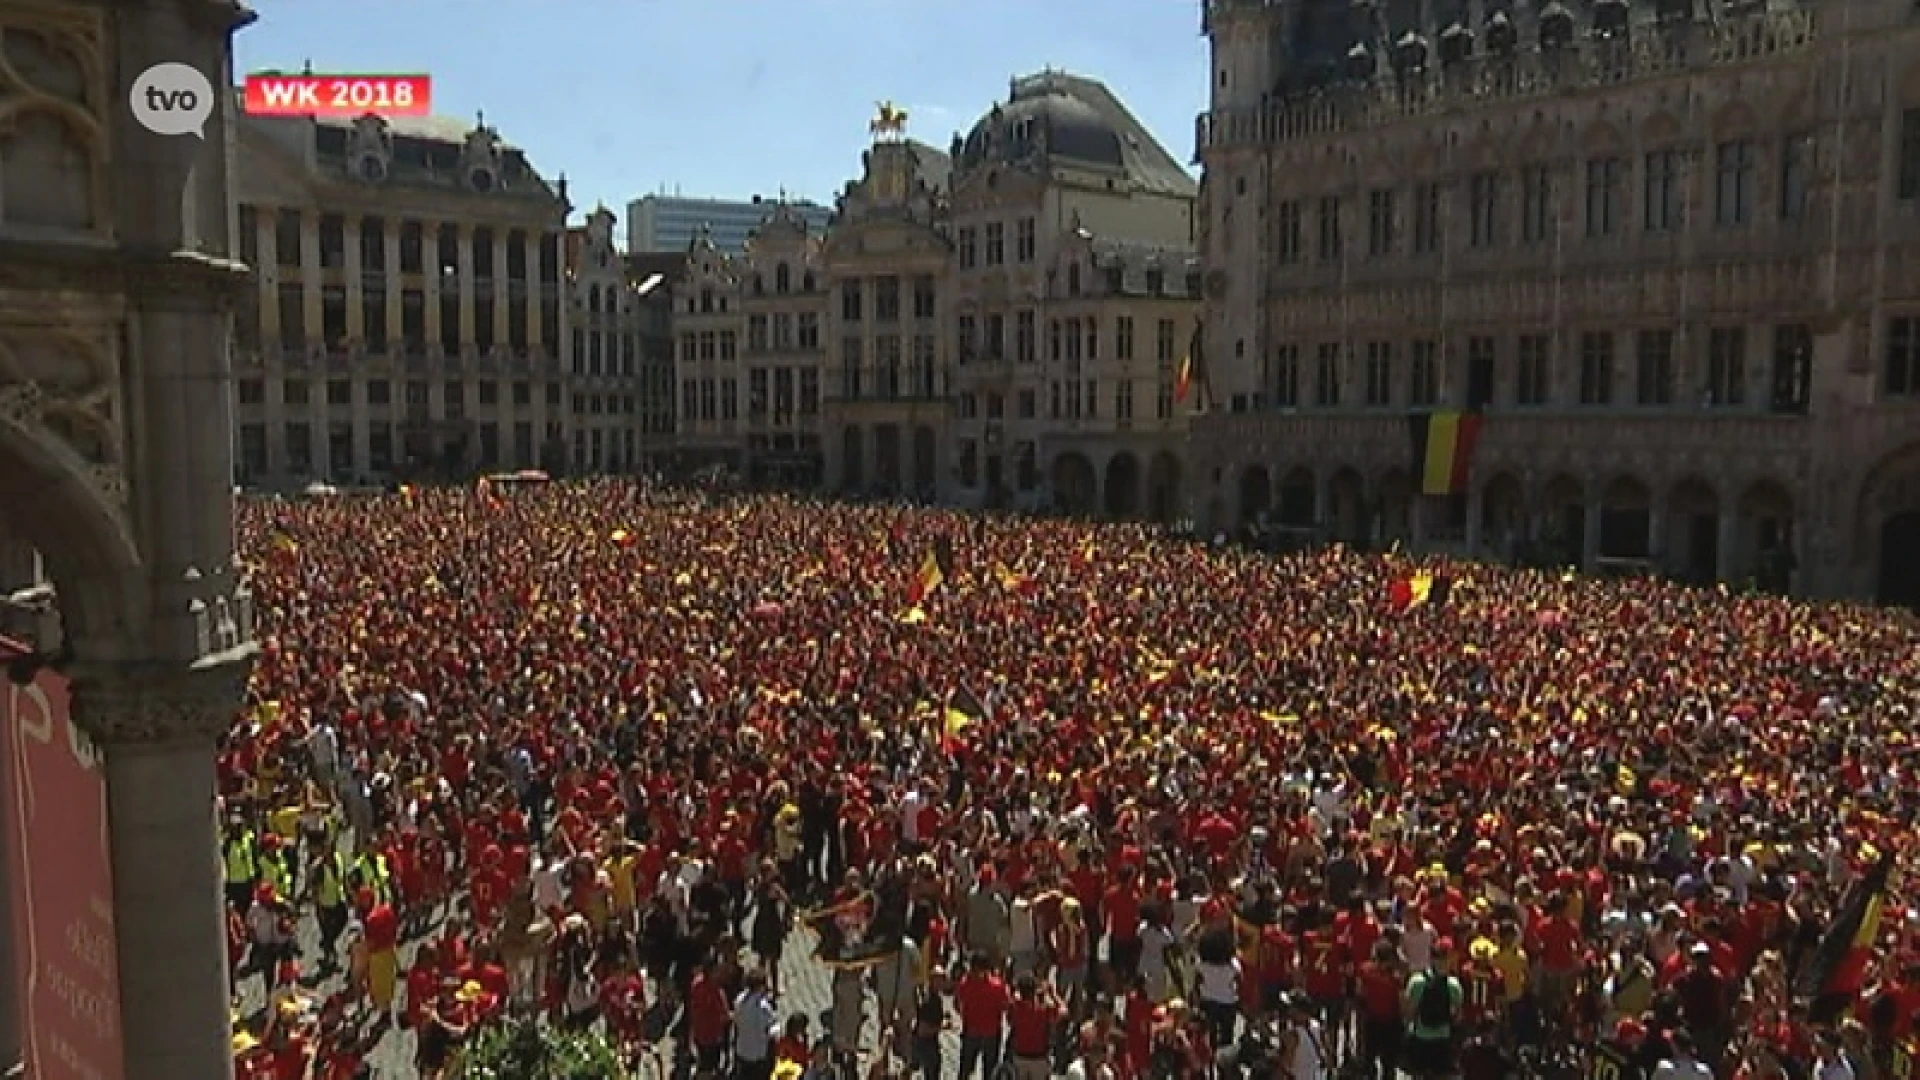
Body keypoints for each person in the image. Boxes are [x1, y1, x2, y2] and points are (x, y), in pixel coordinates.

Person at [1403, 938, 1464, 1078]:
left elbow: (1409, 1013)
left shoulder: (1417, 981)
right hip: (1443, 1038)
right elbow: (1458, 1016)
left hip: (1421, 1036)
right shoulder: (1453, 984)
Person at [733, 968, 779, 1080]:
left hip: (742, 1050)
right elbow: (767, 1031)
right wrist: (777, 1027)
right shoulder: (762, 1007)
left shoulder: (739, 999)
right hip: (757, 1054)